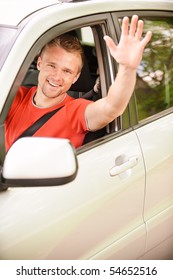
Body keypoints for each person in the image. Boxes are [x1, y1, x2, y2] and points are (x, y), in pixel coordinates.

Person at [5, 15, 152, 151]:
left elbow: (111, 107)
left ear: (75, 77)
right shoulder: (14, 95)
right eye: (52, 66)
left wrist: (127, 68)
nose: (57, 76)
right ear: (39, 63)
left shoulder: (75, 111)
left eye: (67, 71)